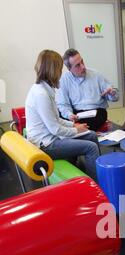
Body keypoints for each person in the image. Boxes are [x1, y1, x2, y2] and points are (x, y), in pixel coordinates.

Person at [25, 50, 100, 179]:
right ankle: (96, 185)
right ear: (53, 71)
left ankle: (85, 167)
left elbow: (56, 119)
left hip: (50, 138)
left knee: (91, 135)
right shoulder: (41, 94)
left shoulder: (44, 89)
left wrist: (74, 125)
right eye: (60, 69)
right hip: (45, 145)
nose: (61, 73)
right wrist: (75, 130)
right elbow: (55, 129)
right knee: (91, 147)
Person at [56, 49, 119, 131]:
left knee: (100, 115)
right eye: (77, 65)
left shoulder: (96, 75)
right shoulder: (64, 80)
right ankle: (80, 129)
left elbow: (115, 97)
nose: (83, 67)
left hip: (96, 112)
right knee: (59, 115)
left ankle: (78, 129)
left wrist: (112, 93)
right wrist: (70, 115)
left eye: (82, 62)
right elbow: (63, 104)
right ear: (69, 69)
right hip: (76, 113)